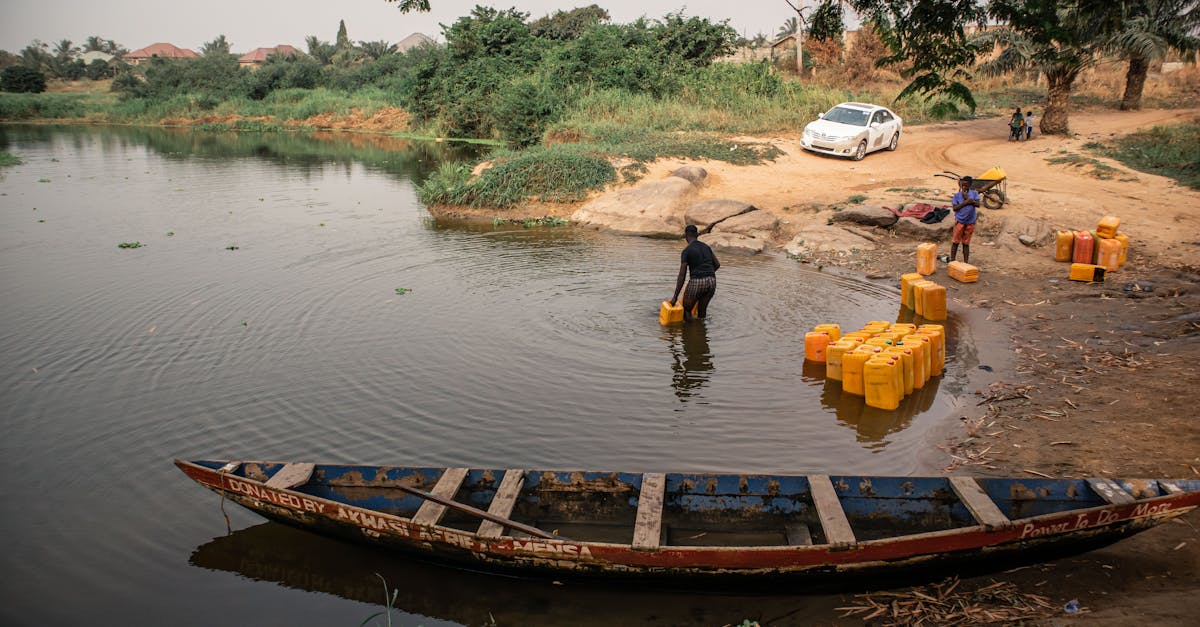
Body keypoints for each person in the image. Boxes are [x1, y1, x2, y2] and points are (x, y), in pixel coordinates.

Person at [671, 224, 720, 321]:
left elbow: (682, 275)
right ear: (697, 235)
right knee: (702, 313)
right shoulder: (706, 247)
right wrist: (707, 273)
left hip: (697, 281)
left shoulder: (687, 251)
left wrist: (675, 297)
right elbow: (717, 264)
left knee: (687, 310)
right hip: (711, 281)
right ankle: (701, 332)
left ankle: (689, 333)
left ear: (686, 236)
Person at [950, 177, 980, 264]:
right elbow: (955, 208)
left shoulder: (974, 194)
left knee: (966, 243)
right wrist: (966, 202)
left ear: (970, 185)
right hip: (960, 221)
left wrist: (971, 200)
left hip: (970, 222)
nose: (964, 188)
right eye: (962, 186)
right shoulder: (957, 195)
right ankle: (952, 261)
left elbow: (978, 204)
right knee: (955, 242)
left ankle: (966, 263)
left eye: (966, 186)